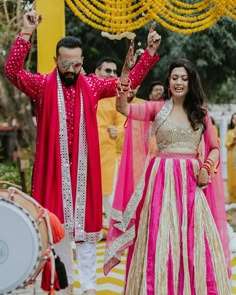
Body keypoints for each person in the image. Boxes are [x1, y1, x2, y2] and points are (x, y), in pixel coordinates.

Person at [5, 6, 161, 294]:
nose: (71, 70)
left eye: (76, 65)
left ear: (82, 62)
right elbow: (12, 70)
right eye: (65, 65)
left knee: (88, 235)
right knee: (57, 230)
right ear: (56, 60)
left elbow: (127, 84)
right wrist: (26, 32)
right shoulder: (41, 85)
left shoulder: (92, 85)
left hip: (85, 174)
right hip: (53, 173)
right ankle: (63, 286)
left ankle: (89, 287)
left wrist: (149, 55)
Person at [104, 43, 231, 294]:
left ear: (191, 81)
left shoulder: (200, 113)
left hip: (192, 184)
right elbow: (123, 108)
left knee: (195, 239)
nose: (179, 82)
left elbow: (215, 148)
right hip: (161, 181)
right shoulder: (157, 109)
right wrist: (126, 75)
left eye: (184, 78)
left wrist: (207, 166)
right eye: (174, 77)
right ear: (169, 81)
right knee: (159, 237)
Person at [225, 112, 236, 203]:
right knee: (232, 177)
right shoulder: (230, 132)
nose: (235, 120)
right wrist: (232, 143)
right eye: (233, 118)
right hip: (232, 156)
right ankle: (232, 200)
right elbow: (226, 144)